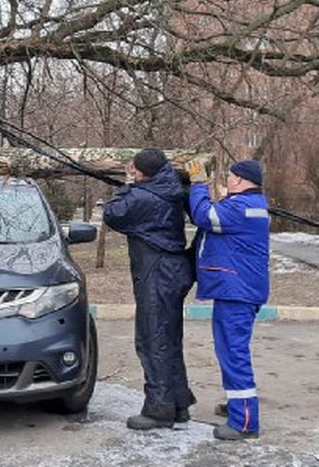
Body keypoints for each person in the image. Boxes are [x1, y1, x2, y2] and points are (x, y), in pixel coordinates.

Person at [103, 148, 196, 430]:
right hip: (173, 271)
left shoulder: (142, 196)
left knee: (152, 338)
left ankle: (158, 410)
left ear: (142, 172)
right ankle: (177, 404)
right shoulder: (171, 188)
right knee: (169, 338)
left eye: (134, 168)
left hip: (157, 273)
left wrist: (127, 186)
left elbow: (112, 214)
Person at [187, 159, 269, 440]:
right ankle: (238, 405)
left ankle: (245, 421)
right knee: (232, 351)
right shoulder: (251, 204)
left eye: (231, 177)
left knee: (233, 353)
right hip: (240, 289)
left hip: (237, 291)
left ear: (241, 180)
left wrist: (198, 185)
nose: (228, 181)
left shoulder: (241, 207)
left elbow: (204, 216)